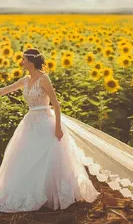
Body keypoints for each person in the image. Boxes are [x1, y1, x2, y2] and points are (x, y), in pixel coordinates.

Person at [0, 48, 100, 213]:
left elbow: (56, 103)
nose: (21, 62)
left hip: (46, 122)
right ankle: (29, 191)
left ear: (31, 62)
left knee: (50, 158)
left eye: (23, 59)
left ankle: (51, 193)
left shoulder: (44, 78)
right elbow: (4, 90)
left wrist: (58, 127)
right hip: (29, 123)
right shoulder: (25, 80)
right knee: (26, 156)